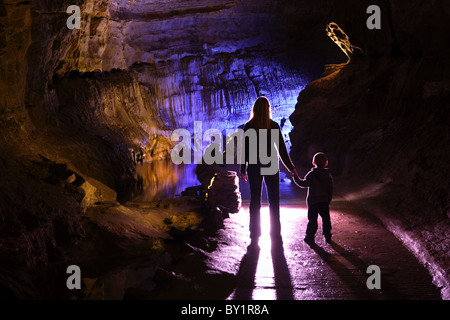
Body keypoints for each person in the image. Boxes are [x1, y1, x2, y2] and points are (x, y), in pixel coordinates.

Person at [240, 96, 298, 247]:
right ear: (268, 110)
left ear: (254, 109)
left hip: (254, 166)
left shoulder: (249, 126)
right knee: (274, 201)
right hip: (271, 166)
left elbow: (245, 150)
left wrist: (242, 169)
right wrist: (291, 168)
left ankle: (255, 232)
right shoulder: (273, 126)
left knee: (255, 201)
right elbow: (282, 151)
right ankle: (275, 232)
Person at [292, 152, 333, 244]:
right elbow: (330, 188)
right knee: (326, 219)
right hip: (324, 202)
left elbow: (303, 183)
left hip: (313, 202)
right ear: (326, 163)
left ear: (313, 163)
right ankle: (327, 236)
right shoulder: (327, 175)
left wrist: (296, 178)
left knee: (312, 220)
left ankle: (309, 237)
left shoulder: (312, 174)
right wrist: (328, 199)